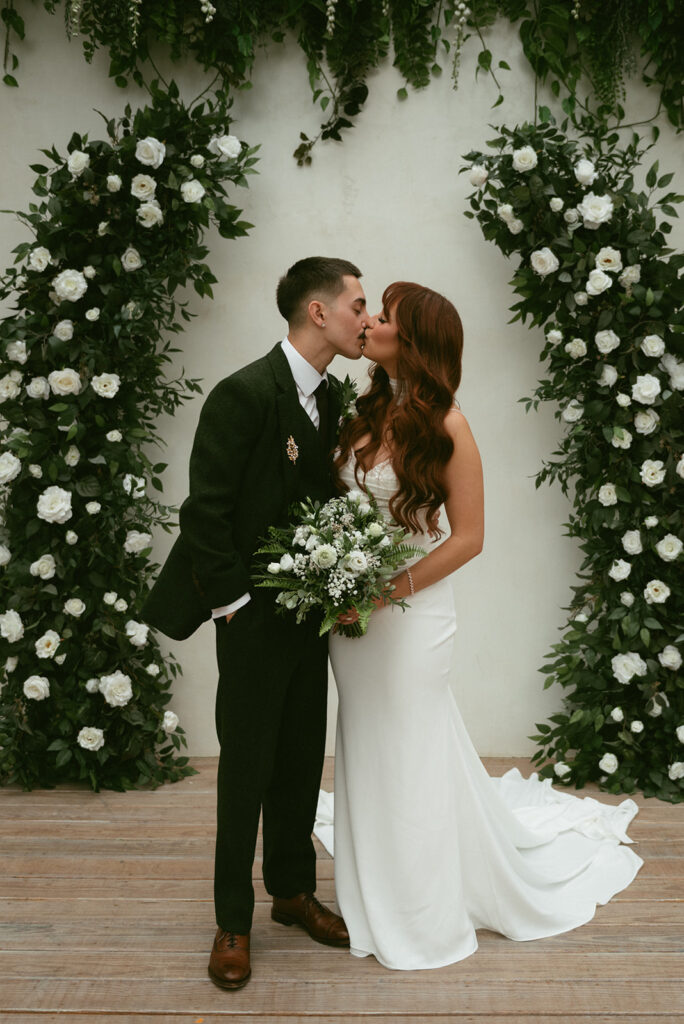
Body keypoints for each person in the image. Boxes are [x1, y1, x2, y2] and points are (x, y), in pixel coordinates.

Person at [317, 281, 643, 971]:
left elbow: (469, 538)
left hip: (410, 616)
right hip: (355, 616)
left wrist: (383, 592)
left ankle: (421, 911)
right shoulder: (363, 409)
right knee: (369, 743)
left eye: (385, 318)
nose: (369, 322)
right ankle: (373, 888)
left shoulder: (450, 427)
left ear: (414, 344)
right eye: (371, 313)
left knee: (409, 748)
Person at [142, 257, 370, 989]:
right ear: (318, 312)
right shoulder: (242, 393)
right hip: (249, 617)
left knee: (303, 756)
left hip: (311, 616)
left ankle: (293, 894)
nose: (367, 318)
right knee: (246, 769)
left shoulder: (333, 397)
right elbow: (204, 512)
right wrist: (234, 609)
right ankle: (232, 920)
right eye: (358, 304)